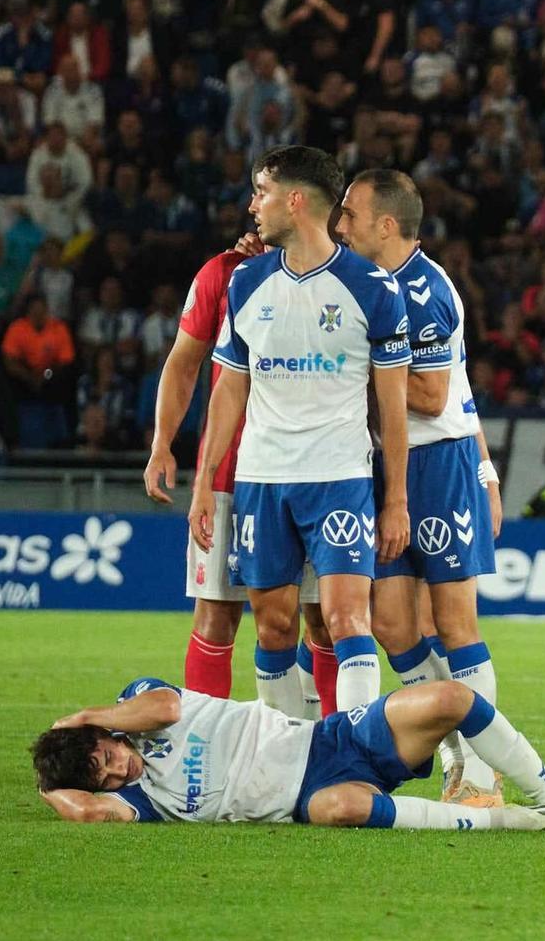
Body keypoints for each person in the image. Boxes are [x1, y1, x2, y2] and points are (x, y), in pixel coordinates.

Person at [187, 145, 411, 716]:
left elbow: (393, 405)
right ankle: (286, 760)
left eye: (261, 193)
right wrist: (203, 486)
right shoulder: (246, 283)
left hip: (339, 476)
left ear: (294, 200)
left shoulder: (373, 287)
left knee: (344, 619)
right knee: (273, 626)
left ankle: (356, 754)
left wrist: (397, 500)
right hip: (262, 478)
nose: (252, 206)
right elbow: (229, 390)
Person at [333, 168, 509, 804]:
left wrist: (353, 373)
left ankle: (484, 776)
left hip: (437, 466)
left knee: (457, 623)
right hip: (385, 466)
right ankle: (460, 742)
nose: (340, 226)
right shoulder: (366, 283)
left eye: (350, 214)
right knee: (391, 623)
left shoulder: (425, 289)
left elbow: (437, 394)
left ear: (386, 224)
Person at [31, 675, 545, 831]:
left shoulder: (136, 706)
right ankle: (512, 820)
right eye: (106, 777)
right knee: (344, 809)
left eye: (107, 754)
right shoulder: (143, 801)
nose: (119, 768)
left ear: (106, 735)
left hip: (329, 740)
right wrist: (50, 785)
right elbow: (85, 811)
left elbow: (167, 708)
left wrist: (84, 718)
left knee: (451, 699)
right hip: (307, 797)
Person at [144, 232, 333, 713]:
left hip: (320, 470)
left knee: (327, 619)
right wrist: (162, 442)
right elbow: (183, 363)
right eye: (253, 195)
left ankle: (326, 749)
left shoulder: (342, 274)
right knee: (216, 614)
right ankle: (207, 753)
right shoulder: (223, 273)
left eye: (263, 194)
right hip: (231, 472)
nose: (254, 208)